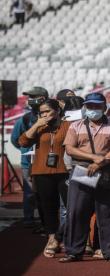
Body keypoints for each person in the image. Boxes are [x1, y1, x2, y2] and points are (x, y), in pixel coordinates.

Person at [61, 92, 110, 263]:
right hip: (81, 171)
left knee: (109, 214)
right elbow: (70, 149)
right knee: (76, 212)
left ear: (105, 107)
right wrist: (93, 159)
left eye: (97, 106)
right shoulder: (75, 126)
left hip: (106, 172)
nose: (93, 109)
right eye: (90, 106)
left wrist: (100, 162)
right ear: (85, 107)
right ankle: (74, 251)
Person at [18, 99, 70, 258]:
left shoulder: (68, 126)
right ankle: (52, 238)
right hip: (42, 172)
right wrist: (36, 125)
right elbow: (23, 142)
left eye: (48, 111)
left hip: (64, 171)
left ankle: (66, 237)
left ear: (58, 111)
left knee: (70, 206)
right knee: (48, 207)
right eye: (42, 112)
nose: (45, 115)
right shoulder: (39, 127)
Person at [11, 87, 49, 229]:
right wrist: (26, 149)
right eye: (29, 97)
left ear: (43, 98)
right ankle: (29, 219)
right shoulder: (25, 119)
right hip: (29, 163)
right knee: (29, 193)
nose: (30, 99)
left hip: (49, 162)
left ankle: (49, 220)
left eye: (33, 96)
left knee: (49, 192)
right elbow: (16, 139)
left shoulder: (54, 116)